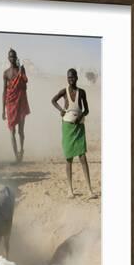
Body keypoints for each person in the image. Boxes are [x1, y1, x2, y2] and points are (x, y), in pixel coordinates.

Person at [51, 68, 97, 199]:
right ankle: (70, 190)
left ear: (77, 78)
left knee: (83, 157)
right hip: (67, 126)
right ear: (67, 78)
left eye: (72, 77)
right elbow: (53, 100)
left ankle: (89, 189)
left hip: (79, 126)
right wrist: (61, 110)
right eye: (68, 77)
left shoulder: (82, 92)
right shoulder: (63, 91)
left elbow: (86, 109)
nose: (70, 79)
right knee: (69, 158)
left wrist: (80, 115)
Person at [2, 48, 30, 162]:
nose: (12, 58)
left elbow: (25, 85)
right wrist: (3, 109)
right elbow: (4, 91)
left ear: (16, 57)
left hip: (21, 103)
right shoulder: (6, 73)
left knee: (21, 131)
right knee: (12, 131)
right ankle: (16, 156)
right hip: (10, 103)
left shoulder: (21, 70)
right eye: (11, 56)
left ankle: (21, 150)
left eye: (14, 56)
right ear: (8, 58)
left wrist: (21, 72)